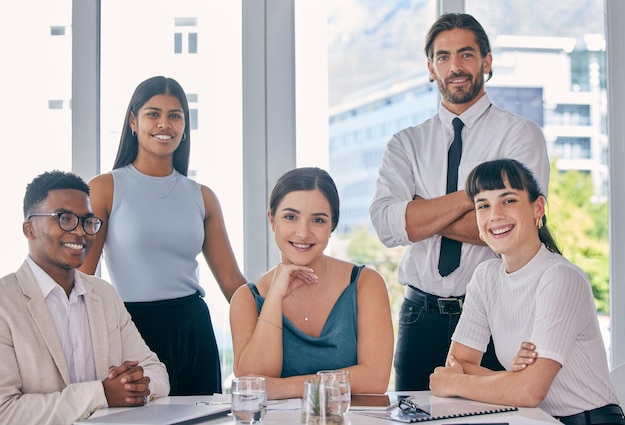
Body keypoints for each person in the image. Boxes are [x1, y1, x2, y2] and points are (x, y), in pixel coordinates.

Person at [369, 12, 550, 390]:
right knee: (412, 413)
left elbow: (513, 230)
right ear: (431, 68)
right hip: (420, 316)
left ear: (487, 61)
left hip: (497, 312)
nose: (456, 67)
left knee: (497, 414)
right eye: (443, 57)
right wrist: (472, 198)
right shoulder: (406, 144)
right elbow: (388, 225)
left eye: (466, 55)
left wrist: (421, 212)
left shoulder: (521, 135)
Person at [79, 76, 247, 395]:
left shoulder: (202, 196)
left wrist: (281, 320)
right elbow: (81, 278)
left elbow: (233, 284)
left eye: (175, 115)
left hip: (194, 329)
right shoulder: (104, 189)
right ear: (133, 121)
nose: (164, 124)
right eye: (153, 114)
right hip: (132, 330)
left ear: (185, 125)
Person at [429, 158, 625, 425]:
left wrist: (455, 384)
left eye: (508, 200)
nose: (494, 214)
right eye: (483, 205)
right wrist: (514, 380)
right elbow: (459, 363)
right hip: (533, 419)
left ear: (538, 208)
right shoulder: (485, 277)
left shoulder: (560, 277)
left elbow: (529, 391)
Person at [0, 170, 169, 425]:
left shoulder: (104, 294)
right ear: (29, 228)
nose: (81, 232)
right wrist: (101, 394)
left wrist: (133, 384)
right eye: (65, 218)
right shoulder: (5, 302)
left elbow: (156, 373)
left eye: (88, 222)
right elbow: (5, 410)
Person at [229, 167, 393, 400]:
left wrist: (287, 388)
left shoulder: (365, 284)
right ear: (271, 219)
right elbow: (256, 383)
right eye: (290, 217)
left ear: (332, 226)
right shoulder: (247, 298)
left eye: (318, 220)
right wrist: (274, 298)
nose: (303, 232)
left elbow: (375, 379)